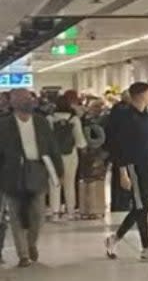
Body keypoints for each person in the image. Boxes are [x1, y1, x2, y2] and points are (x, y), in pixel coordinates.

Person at [104, 83, 148, 263]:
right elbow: (120, 147)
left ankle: (114, 239)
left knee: (140, 207)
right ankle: (146, 249)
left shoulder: (145, 116)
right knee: (141, 207)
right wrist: (123, 172)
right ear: (141, 95)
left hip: (146, 165)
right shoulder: (127, 118)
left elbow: (144, 142)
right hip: (132, 167)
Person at [0, 89, 63, 267]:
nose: (25, 101)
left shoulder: (41, 122)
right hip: (12, 174)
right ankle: (23, 255)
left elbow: (52, 147)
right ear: (12, 102)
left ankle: (31, 243)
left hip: (37, 171)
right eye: (20, 98)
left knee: (37, 214)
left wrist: (58, 171)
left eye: (27, 97)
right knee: (15, 214)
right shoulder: (4, 125)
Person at [49, 91, 86, 220]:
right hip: (71, 155)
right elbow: (80, 141)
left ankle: (55, 211)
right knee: (69, 183)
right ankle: (70, 210)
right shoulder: (74, 119)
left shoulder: (50, 119)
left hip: (54, 156)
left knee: (54, 183)